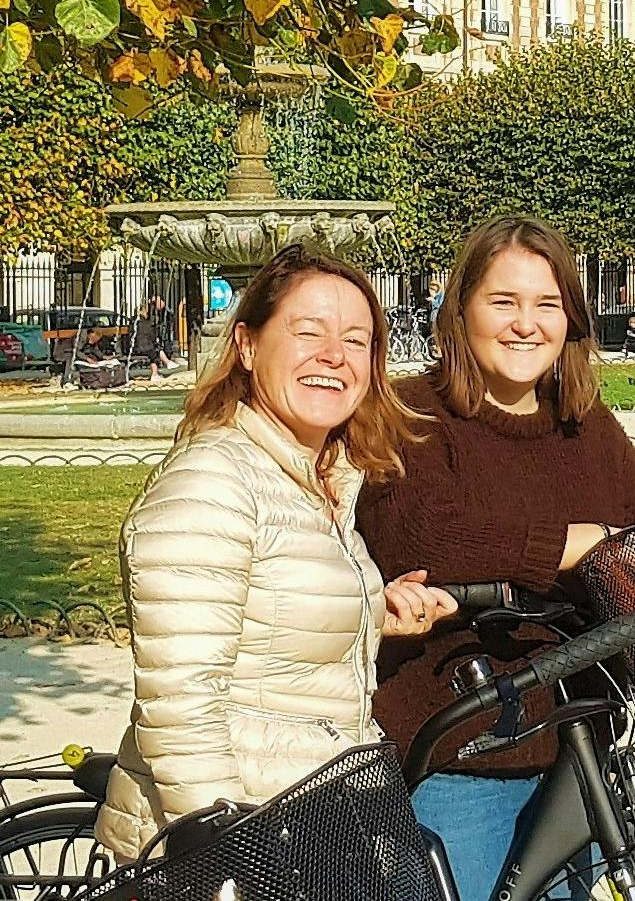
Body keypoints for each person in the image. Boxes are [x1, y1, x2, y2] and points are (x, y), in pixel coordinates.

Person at [93, 245, 455, 862]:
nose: (334, 356)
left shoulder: (317, 479)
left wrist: (366, 607)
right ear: (247, 345)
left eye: (356, 339)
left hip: (308, 823)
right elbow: (181, 705)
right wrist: (229, 857)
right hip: (247, 838)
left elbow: (270, 630)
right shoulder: (213, 482)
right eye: (307, 331)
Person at [357, 215, 635, 901]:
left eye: (546, 304)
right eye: (503, 302)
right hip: (463, 752)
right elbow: (422, 539)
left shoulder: (584, 423)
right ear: (460, 310)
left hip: (577, 751)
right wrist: (575, 544)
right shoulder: (415, 413)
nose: (525, 324)